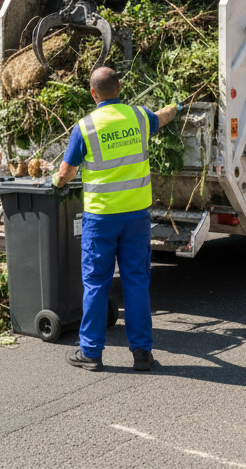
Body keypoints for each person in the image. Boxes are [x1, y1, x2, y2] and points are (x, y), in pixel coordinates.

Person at [51, 67, 178, 371]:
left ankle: (91, 353)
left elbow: (66, 173)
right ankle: (142, 354)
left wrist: (56, 182)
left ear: (92, 94)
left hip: (101, 218)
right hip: (136, 217)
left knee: (96, 283)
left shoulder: (85, 127)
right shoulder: (139, 116)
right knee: (136, 283)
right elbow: (163, 116)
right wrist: (178, 106)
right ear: (120, 87)